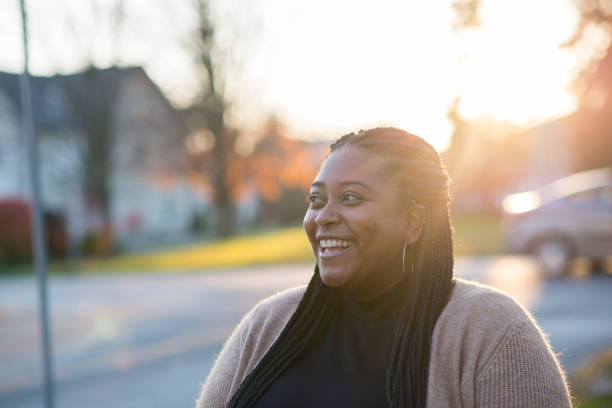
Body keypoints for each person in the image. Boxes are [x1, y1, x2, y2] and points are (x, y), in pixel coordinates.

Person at [196, 127, 571, 408]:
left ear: (413, 222)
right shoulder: (268, 325)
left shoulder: (492, 332)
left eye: (350, 198)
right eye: (316, 199)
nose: (323, 217)